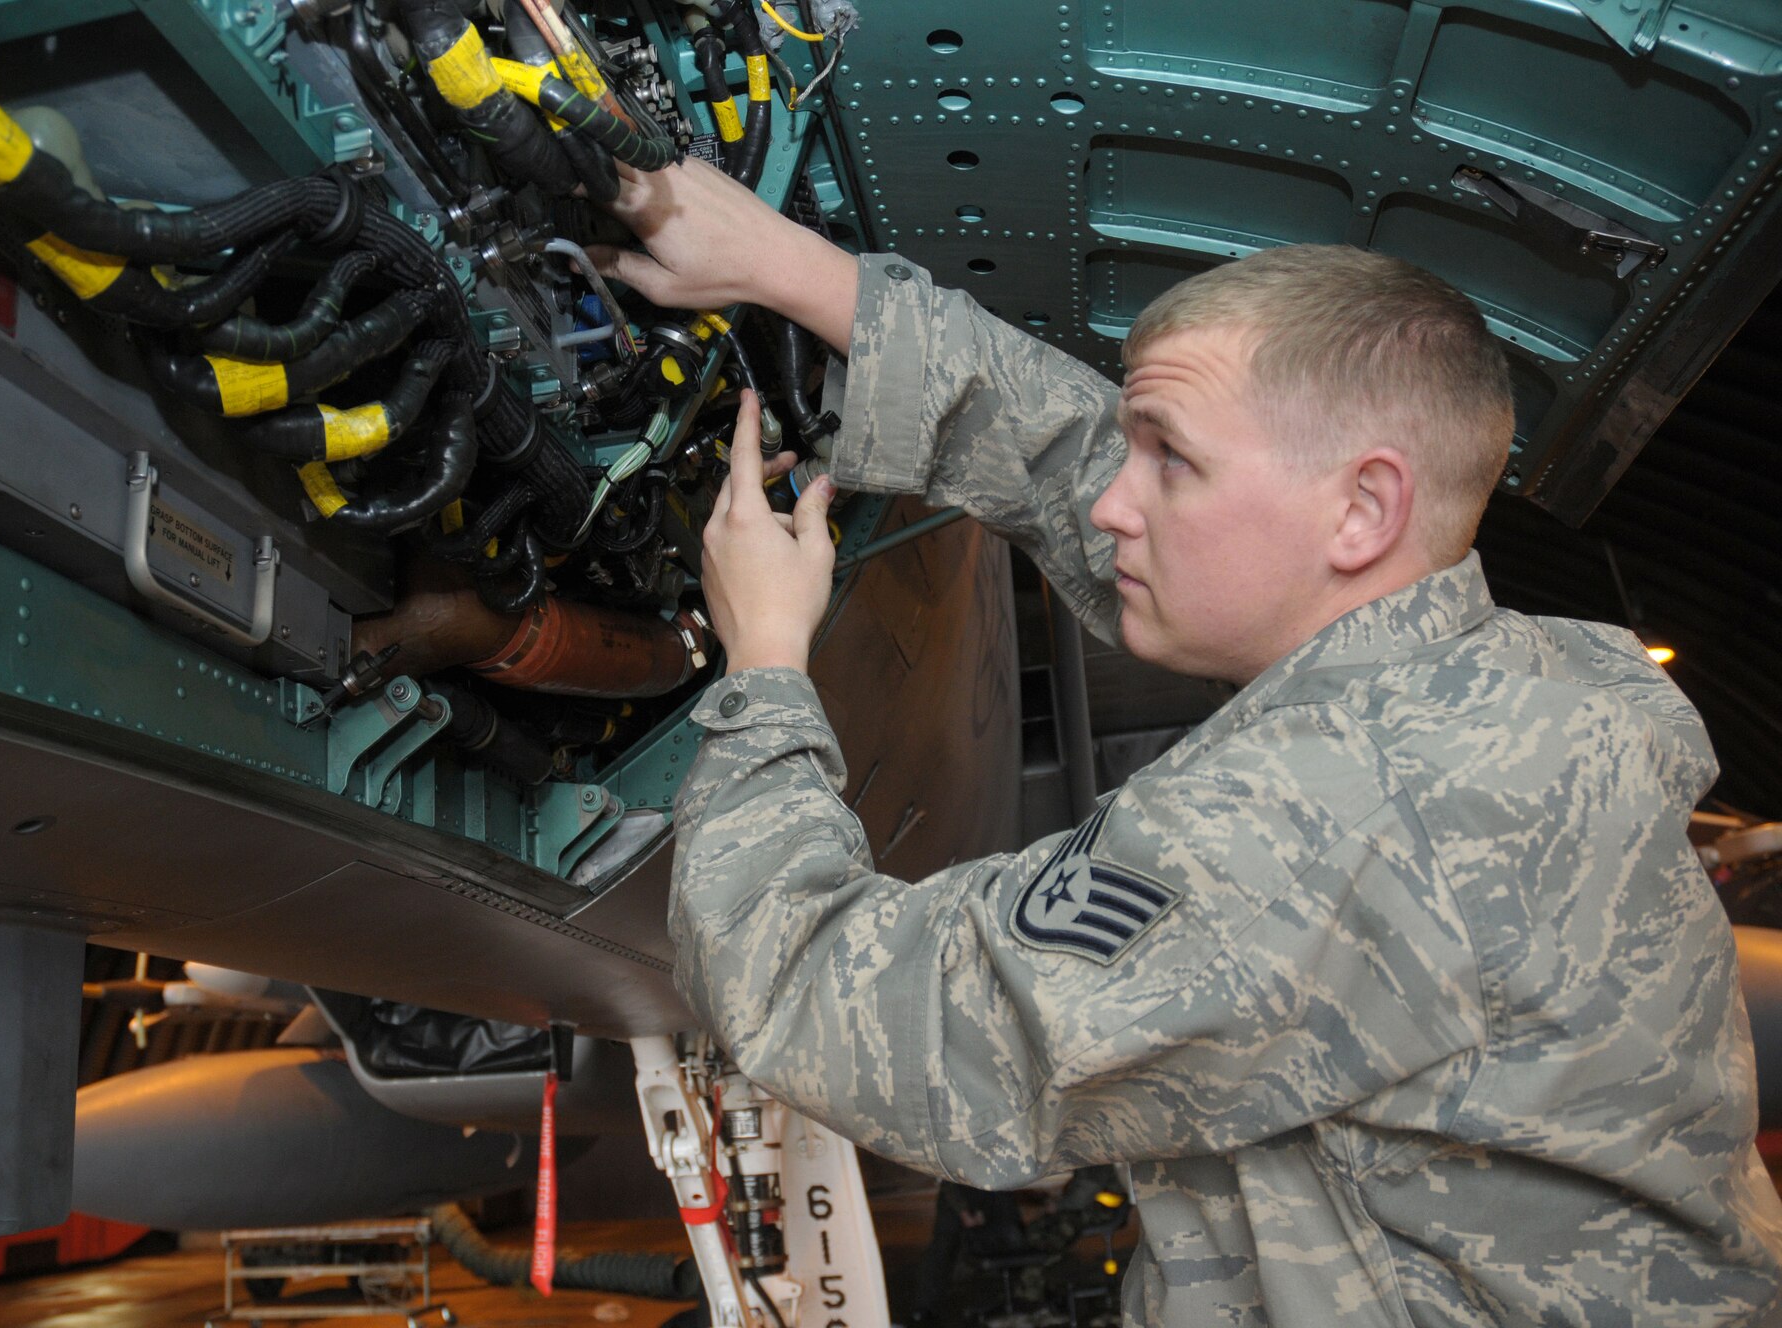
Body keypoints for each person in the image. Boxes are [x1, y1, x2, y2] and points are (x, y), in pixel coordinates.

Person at [588, 159, 1782, 1326]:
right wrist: (783, 267)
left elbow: (808, 997)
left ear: (1360, 510)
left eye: (1172, 460)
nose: (1118, 502)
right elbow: (1077, 458)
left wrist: (763, 663)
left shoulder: (1320, 820)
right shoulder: (1488, 685)